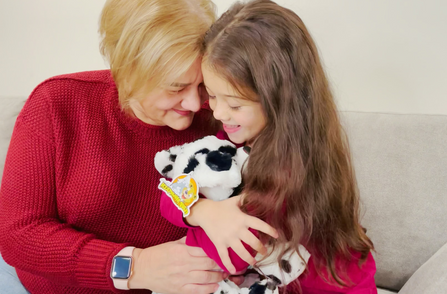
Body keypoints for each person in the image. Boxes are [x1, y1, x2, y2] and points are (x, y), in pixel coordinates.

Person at [0, 0, 276, 293]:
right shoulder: (57, 104)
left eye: (202, 85)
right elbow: (18, 236)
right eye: (175, 87)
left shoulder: (223, 118)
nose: (196, 104)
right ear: (128, 70)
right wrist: (135, 266)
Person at [160, 0, 377, 293]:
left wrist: (203, 222)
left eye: (234, 104)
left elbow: (233, 256)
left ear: (278, 100)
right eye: (211, 95)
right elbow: (167, 193)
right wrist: (202, 212)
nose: (219, 113)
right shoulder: (231, 141)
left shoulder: (291, 171)